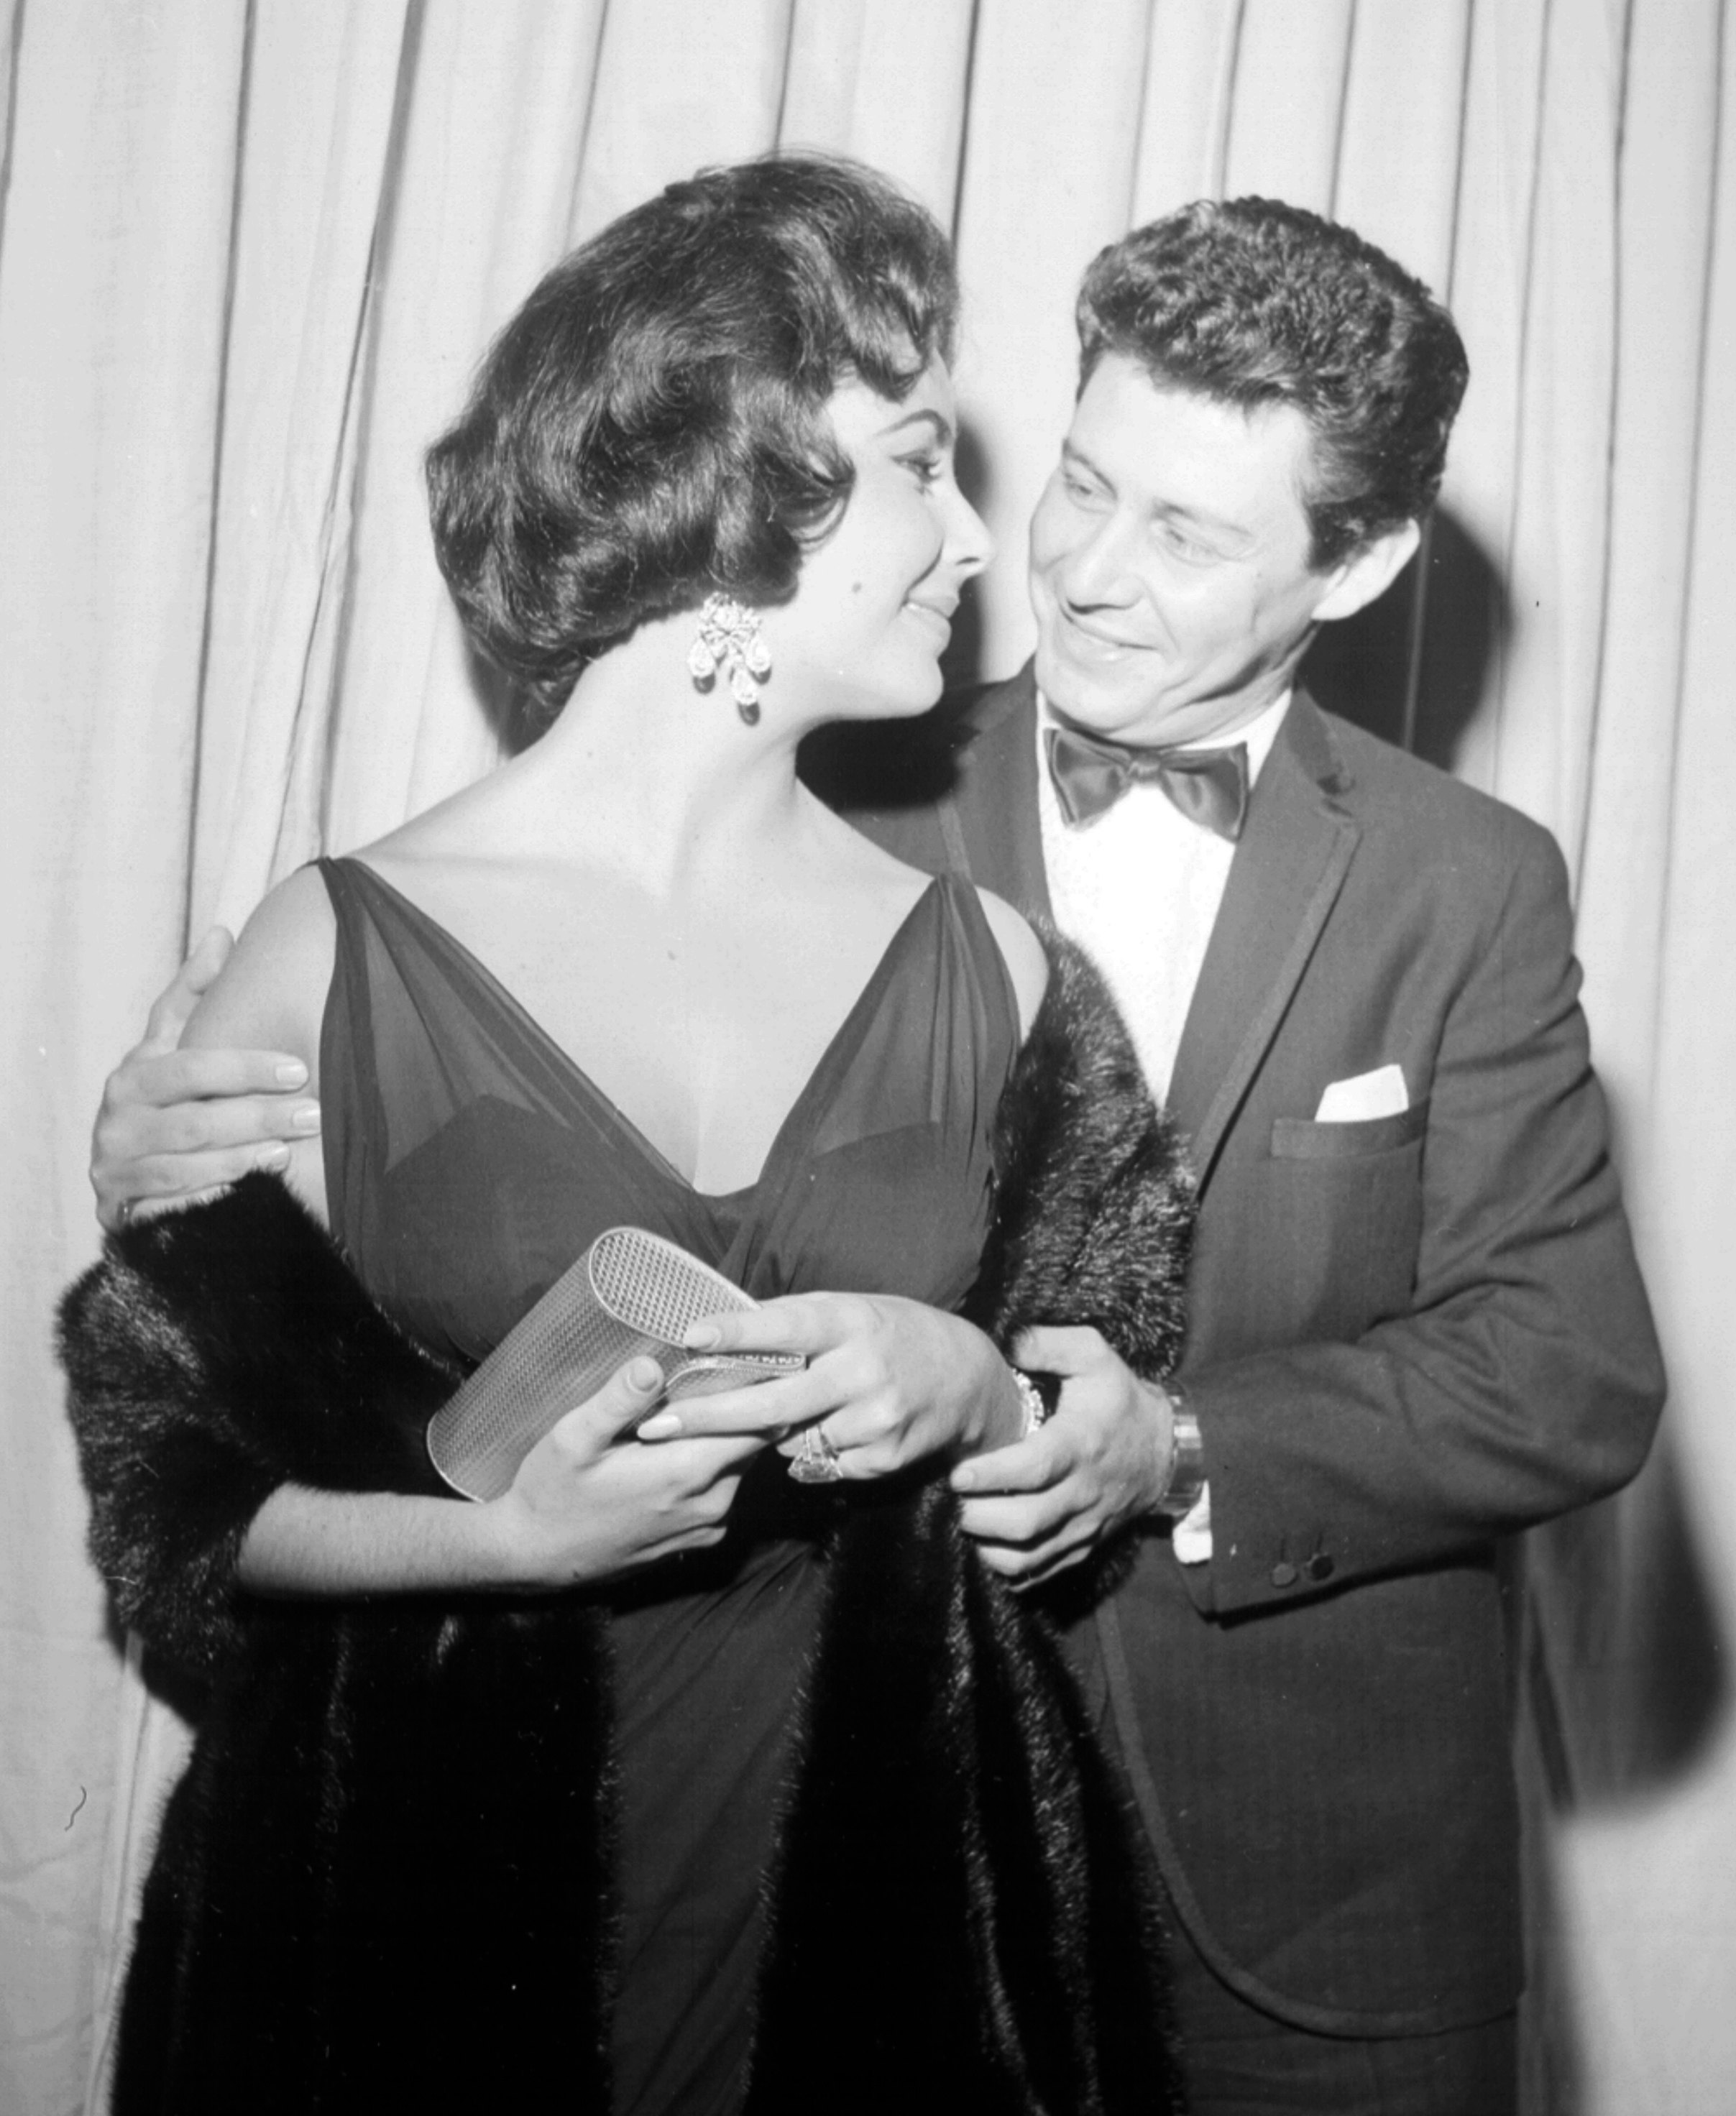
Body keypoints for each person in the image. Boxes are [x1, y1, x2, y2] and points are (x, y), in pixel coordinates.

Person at [89, 194, 1667, 2114]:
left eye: (1186, 534)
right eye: (1080, 482)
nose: (1077, 572)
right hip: (833, 1867)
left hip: (1309, 1893)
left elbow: (1566, 1369)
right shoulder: (825, 753)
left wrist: (1165, 1443)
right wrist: (187, 1143)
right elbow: (447, 1090)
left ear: (1361, 562)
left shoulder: (1467, 880)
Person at [60, 156, 1193, 2116]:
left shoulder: (1006, 975)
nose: (974, 543)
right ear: (737, 485)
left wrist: (977, 1385)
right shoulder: (334, 954)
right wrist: (493, 1541)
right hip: (418, 1943)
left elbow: (1088, 1431)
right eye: (922, 466)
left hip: (899, 1948)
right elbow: (171, 1506)